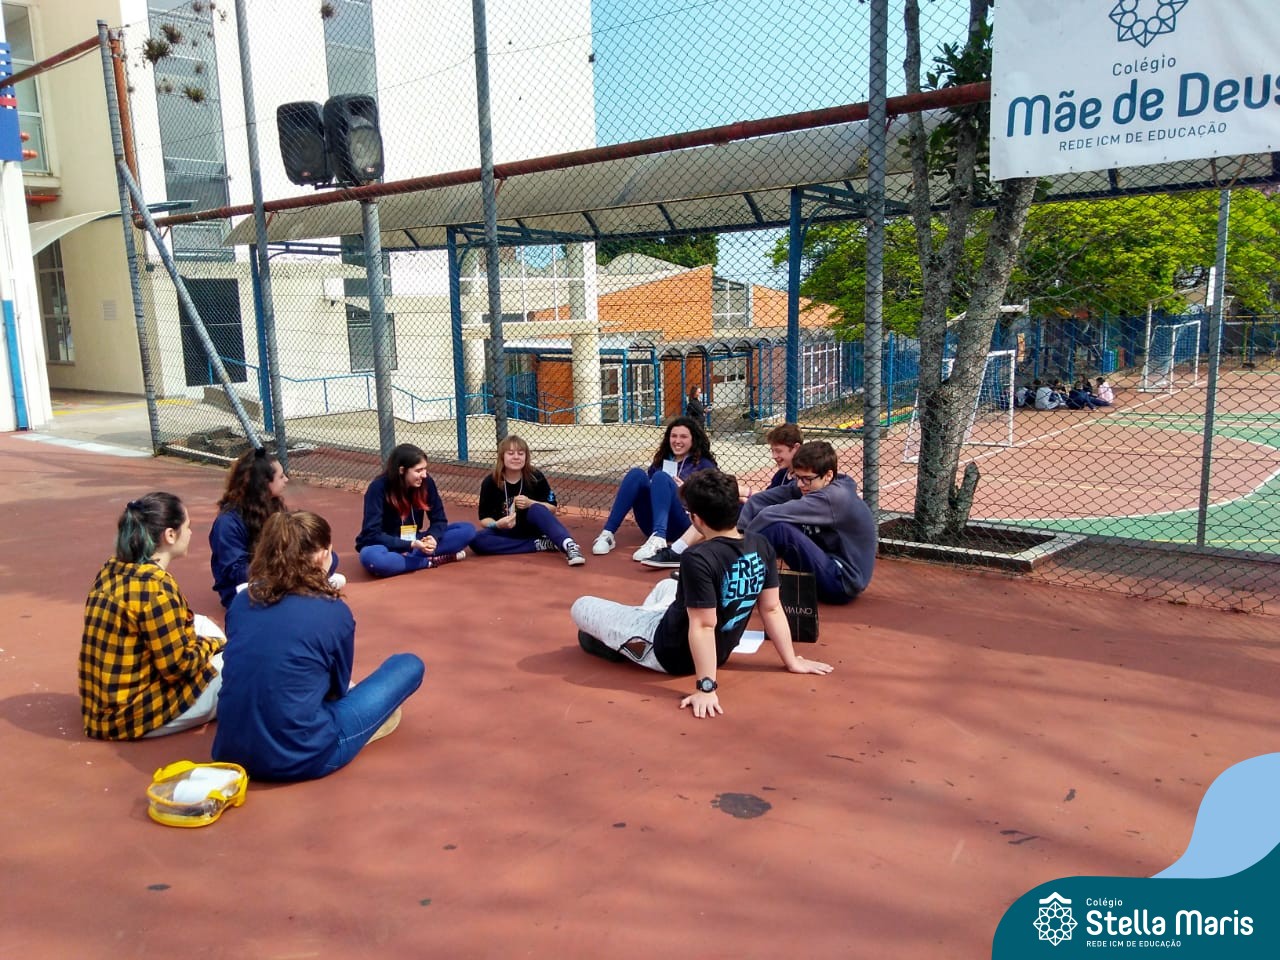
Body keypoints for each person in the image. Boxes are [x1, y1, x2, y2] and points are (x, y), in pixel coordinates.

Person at [572, 470, 833, 719]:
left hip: (670, 654)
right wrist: (792, 660)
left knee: (581, 606)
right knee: (667, 586)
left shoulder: (697, 557)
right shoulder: (760, 543)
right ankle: (631, 629)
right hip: (718, 652)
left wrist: (706, 688)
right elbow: (772, 608)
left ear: (696, 519)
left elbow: (704, 626)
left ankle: (628, 641)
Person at [212, 511, 424, 781]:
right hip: (304, 757)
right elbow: (337, 689)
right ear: (323, 555)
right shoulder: (333, 610)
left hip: (230, 751)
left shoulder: (242, 601)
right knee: (408, 665)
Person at [79, 492, 225, 740]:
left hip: (101, 708)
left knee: (199, 623)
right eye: (187, 527)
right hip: (130, 717)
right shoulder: (156, 588)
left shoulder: (112, 567)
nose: (190, 533)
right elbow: (178, 668)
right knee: (234, 664)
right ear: (170, 535)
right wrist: (213, 645)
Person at [641, 422, 804, 569]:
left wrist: (746, 493)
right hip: (763, 522)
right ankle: (684, 553)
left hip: (781, 530)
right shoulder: (782, 474)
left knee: (726, 506)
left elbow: (774, 503)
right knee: (725, 504)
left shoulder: (803, 478)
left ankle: (692, 557)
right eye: (772, 451)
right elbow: (766, 499)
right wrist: (743, 497)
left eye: (778, 451)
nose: (774, 456)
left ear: (796, 448)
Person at [737, 440, 877, 605]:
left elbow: (770, 514)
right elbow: (758, 501)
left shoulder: (834, 497)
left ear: (828, 475)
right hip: (824, 564)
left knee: (780, 529)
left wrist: (738, 547)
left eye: (806, 479)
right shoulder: (811, 485)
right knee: (749, 510)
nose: (800, 484)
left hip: (842, 581)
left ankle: (734, 577)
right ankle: (740, 574)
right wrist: (740, 530)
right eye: (797, 477)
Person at [209, 448, 346, 608]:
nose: (286, 479)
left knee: (329, 557)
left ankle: (300, 587)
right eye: (281, 476)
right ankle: (305, 586)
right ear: (263, 483)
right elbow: (236, 573)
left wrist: (306, 556)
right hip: (245, 586)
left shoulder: (272, 505)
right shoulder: (227, 523)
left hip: (278, 573)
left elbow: (291, 543)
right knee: (315, 569)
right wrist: (287, 569)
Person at [590, 415, 718, 562]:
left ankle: (659, 540)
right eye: (674, 436)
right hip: (650, 523)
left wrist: (686, 490)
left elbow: (716, 499)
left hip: (684, 525)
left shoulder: (703, 465)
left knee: (661, 477)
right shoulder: (661, 461)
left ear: (693, 440)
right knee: (636, 474)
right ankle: (608, 534)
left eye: (683, 437)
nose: (677, 441)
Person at [356, 444, 476, 578]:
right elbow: (372, 533)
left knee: (467, 530)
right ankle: (427, 561)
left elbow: (439, 520)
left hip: (416, 541)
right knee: (375, 560)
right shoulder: (377, 488)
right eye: (418, 470)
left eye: (425, 469)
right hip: (385, 544)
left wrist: (433, 537)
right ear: (402, 470)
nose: (424, 475)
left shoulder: (426, 482)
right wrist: (410, 544)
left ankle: (404, 560)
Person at [471, 435, 585, 566]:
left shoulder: (535, 476)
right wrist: (497, 524)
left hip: (534, 529)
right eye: (510, 453)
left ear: (526, 457)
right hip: (506, 531)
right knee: (476, 540)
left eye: (521, 453)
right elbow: (484, 519)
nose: (516, 457)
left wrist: (530, 503)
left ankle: (569, 545)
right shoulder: (491, 482)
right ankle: (538, 544)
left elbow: (552, 508)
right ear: (502, 457)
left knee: (537, 508)